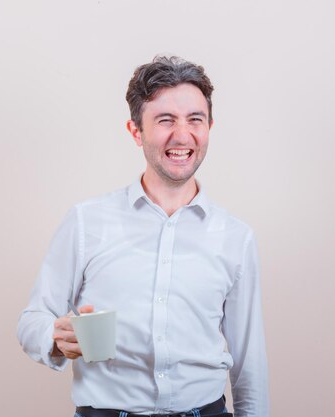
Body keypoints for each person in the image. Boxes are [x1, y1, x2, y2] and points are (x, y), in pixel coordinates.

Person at [17, 56, 269, 417]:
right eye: (165, 120)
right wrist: (55, 340)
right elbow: (33, 319)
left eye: (195, 119)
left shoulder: (236, 237)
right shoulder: (87, 221)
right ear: (136, 131)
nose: (182, 135)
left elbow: (250, 363)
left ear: (210, 126)